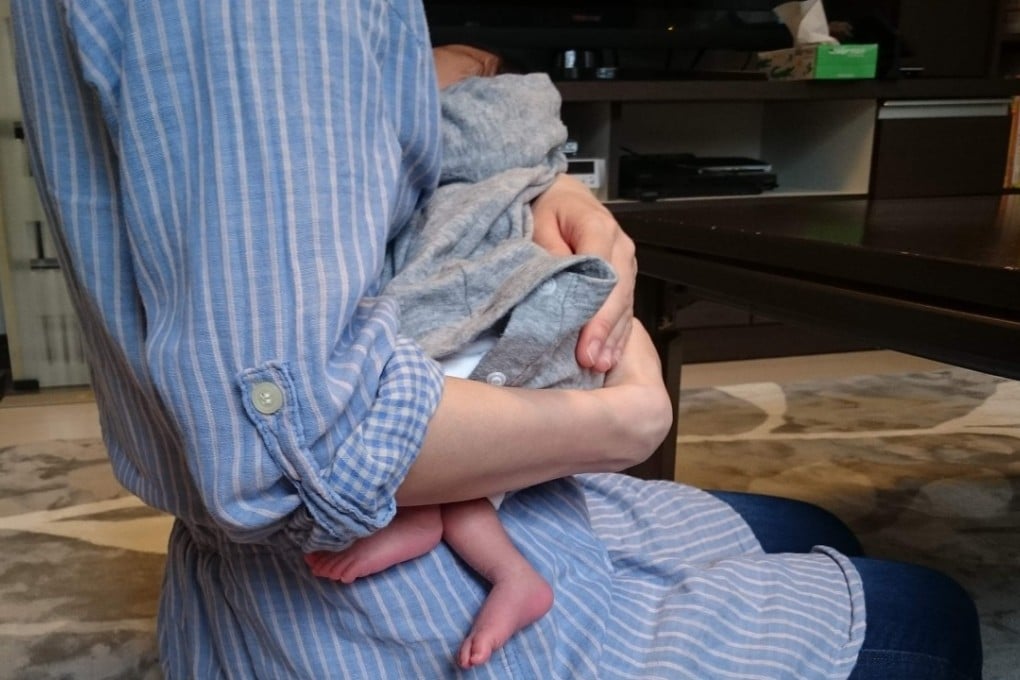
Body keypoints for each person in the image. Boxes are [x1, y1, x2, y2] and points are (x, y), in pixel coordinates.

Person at [11, 2, 982, 679]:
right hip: (355, 567)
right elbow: (305, 435)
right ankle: (517, 568)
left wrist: (547, 189)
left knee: (822, 533)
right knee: (928, 622)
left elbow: (375, 146)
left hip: (362, 484)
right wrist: (619, 424)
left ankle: (516, 549)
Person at [304, 66, 617, 669]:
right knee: (443, 423)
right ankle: (511, 574)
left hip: (515, 335)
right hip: (509, 347)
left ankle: (441, 530)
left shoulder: (492, 182)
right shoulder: (505, 183)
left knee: (436, 414)